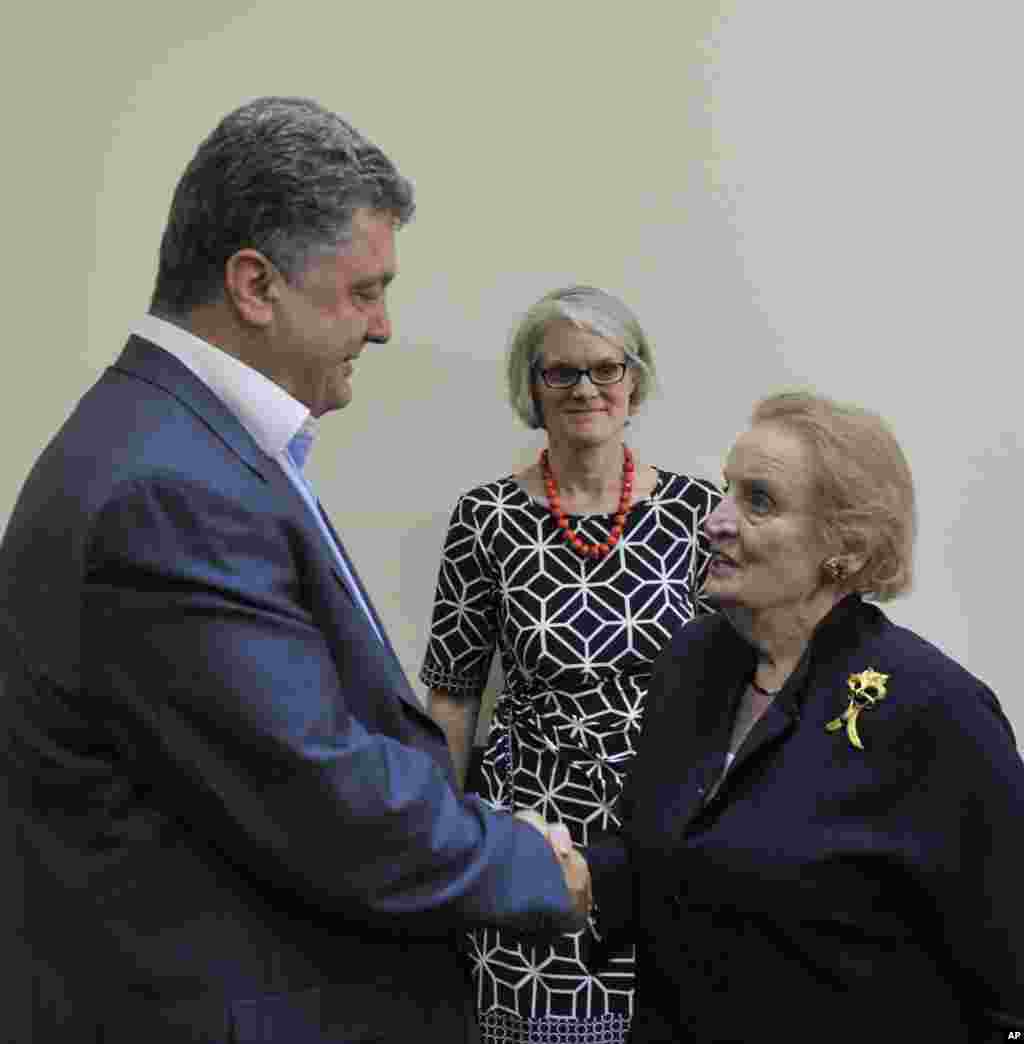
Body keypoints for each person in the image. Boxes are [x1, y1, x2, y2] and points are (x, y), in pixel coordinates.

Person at [0, 96, 590, 1044]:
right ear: (253, 285)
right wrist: (529, 865)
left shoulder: (176, 444)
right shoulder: (169, 484)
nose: (386, 326)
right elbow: (315, 793)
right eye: (364, 292)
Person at [584, 390, 1024, 1042]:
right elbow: (664, 855)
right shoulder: (691, 663)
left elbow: (1008, 968)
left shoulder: (934, 710)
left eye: (758, 501)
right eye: (725, 490)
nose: (716, 520)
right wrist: (555, 871)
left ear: (842, 545)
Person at [421, 285, 720, 1044]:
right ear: (533, 388)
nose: (586, 388)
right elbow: (454, 697)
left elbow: (734, 689)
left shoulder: (699, 512)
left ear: (635, 381)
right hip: (529, 826)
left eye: (605, 369)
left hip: (657, 827)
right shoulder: (485, 518)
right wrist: (437, 839)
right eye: (561, 372)